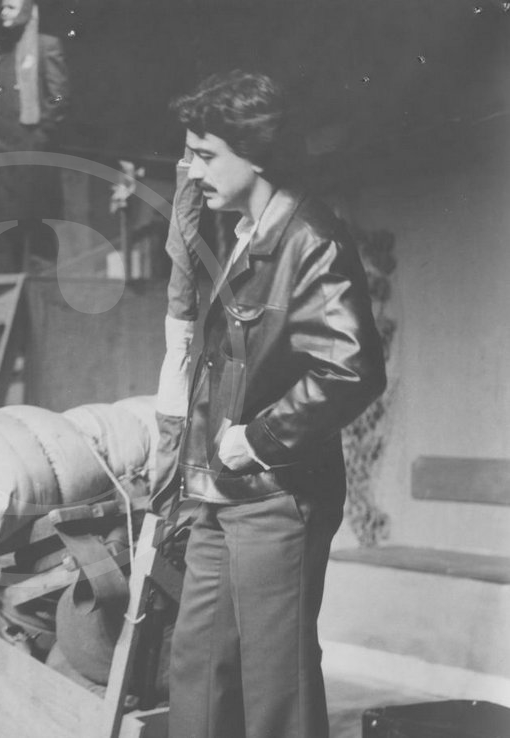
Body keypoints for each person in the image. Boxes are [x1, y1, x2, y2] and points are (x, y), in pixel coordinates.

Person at [155, 71, 386, 738]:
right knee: (197, 667)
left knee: (275, 688)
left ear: (256, 154)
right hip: (221, 492)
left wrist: (257, 439)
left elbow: (350, 369)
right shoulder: (243, 235)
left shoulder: (310, 239)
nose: (193, 172)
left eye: (206, 156)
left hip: (277, 495)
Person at [0, 0, 70, 272]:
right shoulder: (2, 49)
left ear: (26, 9)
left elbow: (59, 95)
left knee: (34, 220)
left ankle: (39, 278)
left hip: (32, 149)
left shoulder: (47, 45)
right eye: (2, 7)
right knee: (7, 221)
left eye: (10, 7)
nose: (3, 13)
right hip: (3, 149)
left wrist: (42, 132)